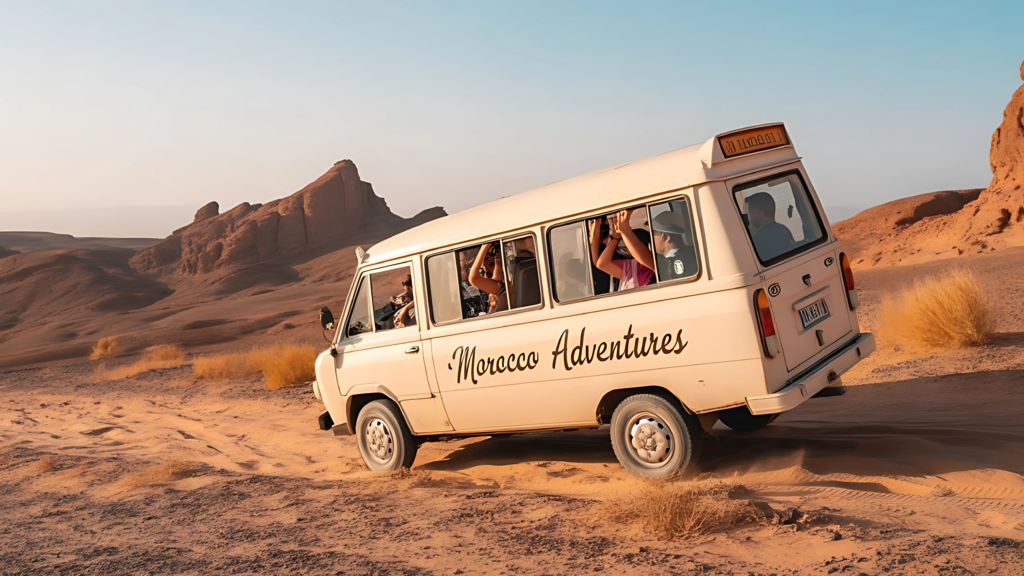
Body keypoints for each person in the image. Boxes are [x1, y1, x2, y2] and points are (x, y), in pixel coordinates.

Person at [589, 209, 655, 291]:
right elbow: (600, 263)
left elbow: (601, 264)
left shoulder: (634, 277)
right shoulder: (639, 274)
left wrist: (616, 238)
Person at [745, 192, 796, 260]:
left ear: (758, 211)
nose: (749, 217)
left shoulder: (758, 239)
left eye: (750, 212)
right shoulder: (784, 229)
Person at [651, 211, 698, 280]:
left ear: (665, 236)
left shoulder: (681, 262)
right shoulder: (691, 254)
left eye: (653, 235)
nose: (651, 240)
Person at [468, 242, 510, 314]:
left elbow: (497, 273)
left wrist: (486, 245)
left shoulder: (501, 289)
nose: (490, 259)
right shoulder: (497, 290)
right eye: (486, 259)